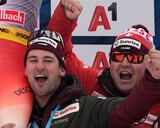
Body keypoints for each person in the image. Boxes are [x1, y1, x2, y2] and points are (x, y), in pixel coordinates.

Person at [47, 0, 159, 126]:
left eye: (134, 58)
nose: (124, 63)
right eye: (117, 56)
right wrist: (63, 21)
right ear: (110, 61)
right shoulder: (93, 81)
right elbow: (58, 54)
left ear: (149, 64)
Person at [13, 29, 160, 128]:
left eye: (48, 60)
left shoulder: (87, 109)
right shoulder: (11, 110)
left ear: (62, 70)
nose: (40, 66)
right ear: (25, 69)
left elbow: (128, 110)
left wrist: (152, 80)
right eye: (33, 60)